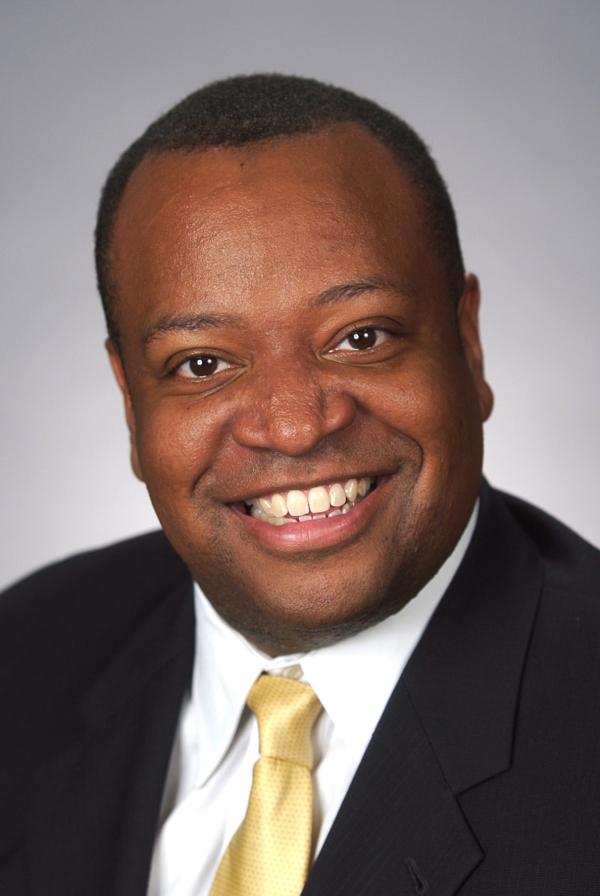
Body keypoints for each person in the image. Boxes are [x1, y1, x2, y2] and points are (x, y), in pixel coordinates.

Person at [1, 73, 599, 896]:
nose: (293, 426)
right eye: (201, 364)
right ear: (130, 402)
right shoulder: (25, 655)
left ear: (469, 345)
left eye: (361, 337)